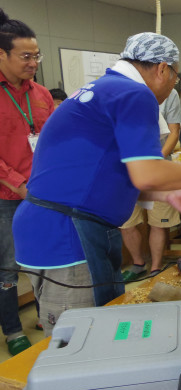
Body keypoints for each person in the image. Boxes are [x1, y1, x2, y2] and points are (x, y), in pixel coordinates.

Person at [12, 32, 181, 337]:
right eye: (176, 76)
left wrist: (167, 192)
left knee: (104, 327)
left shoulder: (105, 89)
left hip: (59, 224)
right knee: (82, 340)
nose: (173, 86)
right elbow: (146, 173)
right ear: (162, 68)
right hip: (66, 233)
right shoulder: (134, 95)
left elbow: (110, 171)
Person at [0, 8, 53, 356]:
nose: (33, 62)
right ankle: (12, 330)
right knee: (8, 266)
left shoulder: (42, 94)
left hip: (45, 194)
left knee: (44, 259)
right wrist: (19, 184)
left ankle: (41, 315)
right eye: (25, 56)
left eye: (36, 55)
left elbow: (52, 141)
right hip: (8, 196)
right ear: (2, 54)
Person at [119, 87, 181, 281]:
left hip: (159, 166)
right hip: (127, 168)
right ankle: (138, 263)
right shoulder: (123, 91)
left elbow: (173, 132)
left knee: (158, 220)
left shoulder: (169, 93)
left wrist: (155, 158)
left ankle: (155, 267)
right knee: (126, 221)